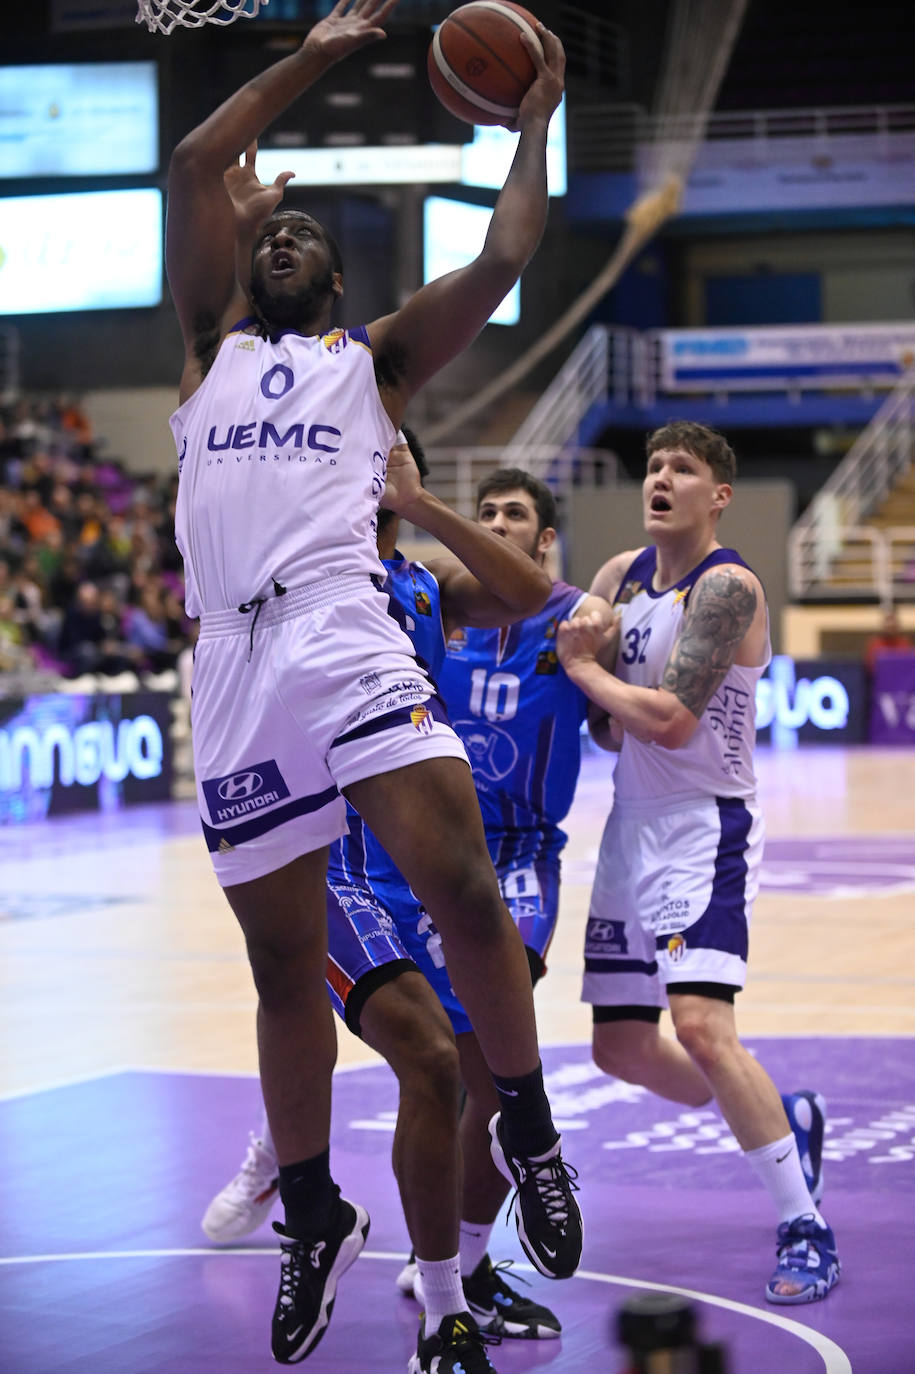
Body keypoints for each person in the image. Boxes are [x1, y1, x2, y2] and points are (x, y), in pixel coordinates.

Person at [165, 2, 579, 1368]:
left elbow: (506, 250)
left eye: (300, 241)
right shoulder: (203, 349)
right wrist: (320, 56)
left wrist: (532, 120)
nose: (278, 241)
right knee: (281, 963)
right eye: (266, 233)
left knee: (456, 878)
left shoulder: (373, 363)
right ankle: (308, 1211)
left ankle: (517, 1113)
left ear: (336, 290)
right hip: (225, 657)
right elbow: (195, 161)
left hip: (341, 624)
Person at [202, 458, 616, 1359]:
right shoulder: (282, 581)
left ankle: (445, 1299)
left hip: (468, 863)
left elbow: (530, 590)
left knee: (452, 1071)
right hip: (341, 868)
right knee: (422, 1055)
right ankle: (294, 1178)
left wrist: (420, 501)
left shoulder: (428, 587)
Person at [556, 419, 841, 1306]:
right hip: (630, 822)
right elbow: (607, 725)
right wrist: (590, 673)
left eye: (681, 469)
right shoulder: (617, 578)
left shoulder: (728, 589)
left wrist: (582, 667)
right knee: (620, 1049)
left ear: (717, 495)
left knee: (705, 1030)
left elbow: (671, 720)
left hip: (702, 825)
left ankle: (804, 1224)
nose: (660, 478)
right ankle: (782, 1119)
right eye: (652, 466)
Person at [864, 605, 911, 676]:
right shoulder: (875, 644)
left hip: (901, 682)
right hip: (882, 681)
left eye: (892, 621)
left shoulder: (904, 643)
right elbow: (870, 667)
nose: (890, 625)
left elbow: (908, 666)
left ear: (897, 624)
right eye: (887, 621)